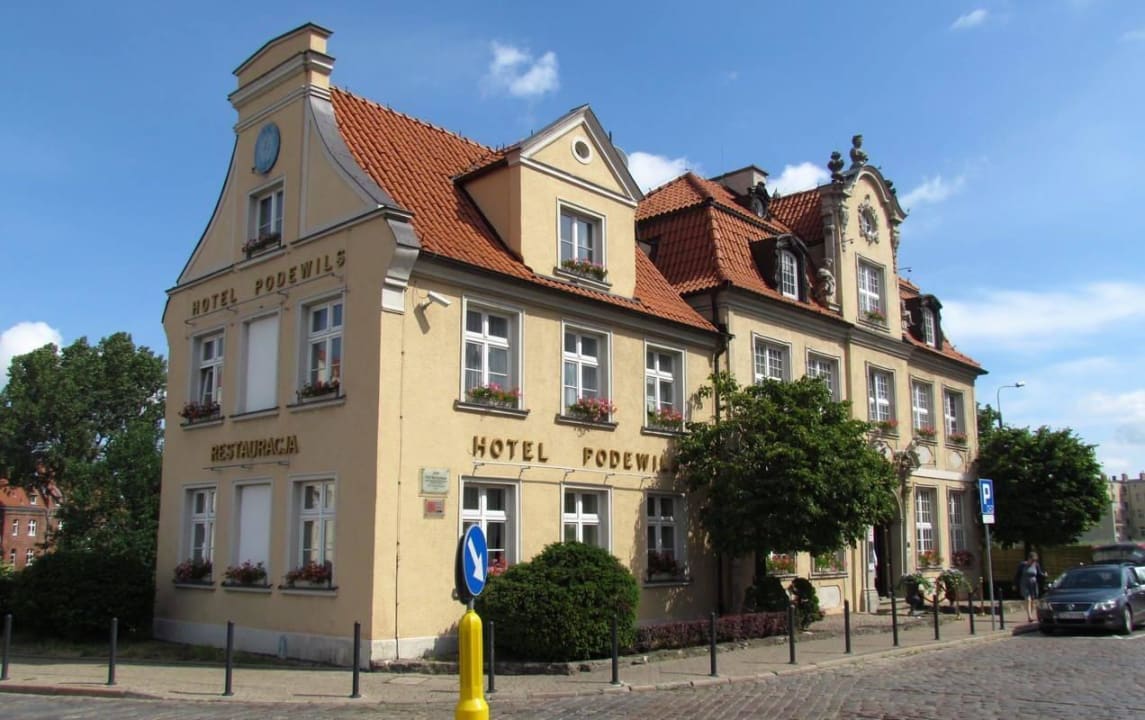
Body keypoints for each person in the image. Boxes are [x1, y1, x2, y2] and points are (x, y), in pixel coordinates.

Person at [1014, 552, 1047, 622]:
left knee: (1032, 600)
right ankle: (1029, 616)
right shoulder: (1022, 565)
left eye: (1034, 560)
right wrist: (1014, 584)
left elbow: (1039, 573)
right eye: (1032, 560)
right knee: (1028, 599)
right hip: (1024, 583)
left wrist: (1044, 575)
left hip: (1033, 584)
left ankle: (1031, 615)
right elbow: (1017, 575)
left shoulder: (1036, 565)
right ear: (1029, 559)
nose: (1033, 562)